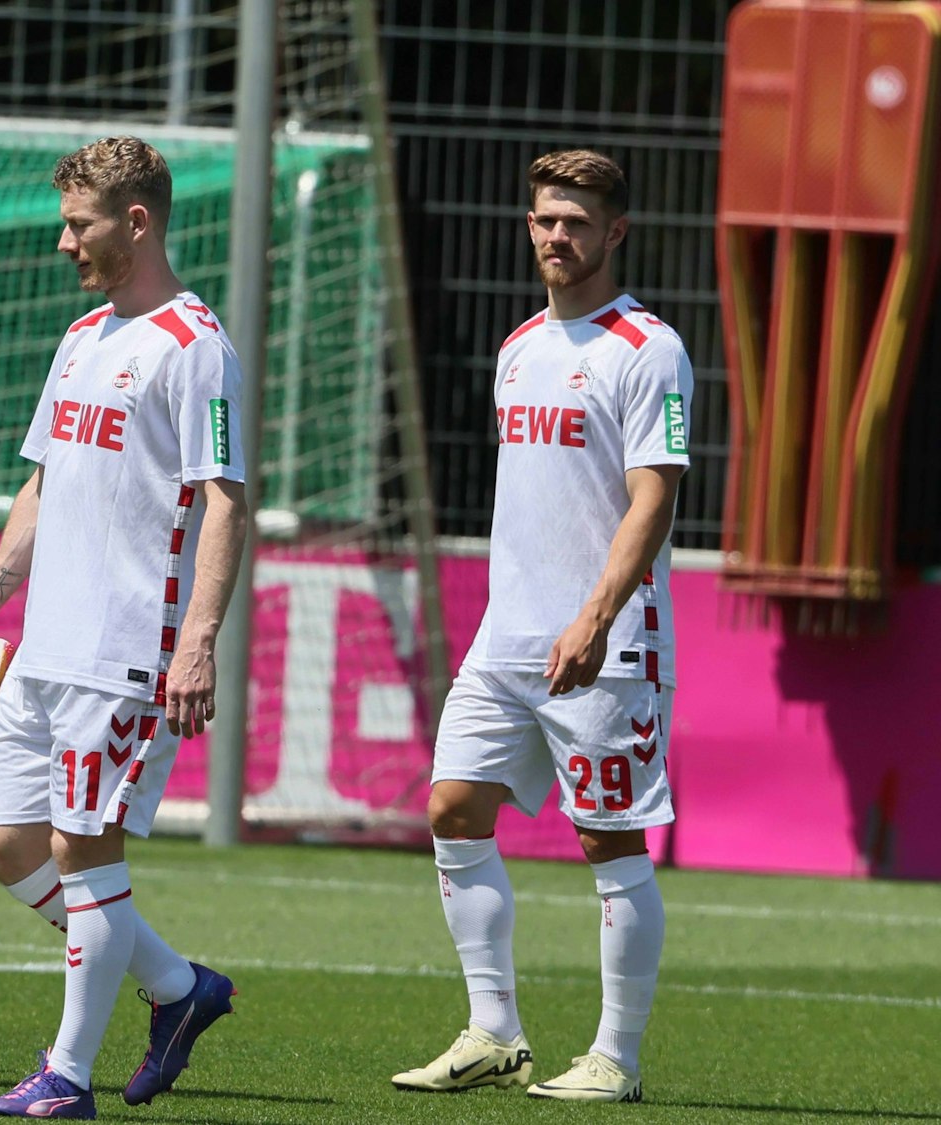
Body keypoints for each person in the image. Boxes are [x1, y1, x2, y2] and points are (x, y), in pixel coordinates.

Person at [0, 137, 248, 1118]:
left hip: (126, 650)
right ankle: (180, 988)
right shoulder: (80, 337)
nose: (64, 242)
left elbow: (225, 500)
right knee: (6, 849)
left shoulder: (196, 346)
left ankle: (66, 1076)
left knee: (82, 850)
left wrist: (198, 641)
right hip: (45, 644)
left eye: (78, 224)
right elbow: (41, 486)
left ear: (134, 222)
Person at [389, 150, 690, 1104]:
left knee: (609, 839)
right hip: (506, 638)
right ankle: (494, 1031)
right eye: (546, 219)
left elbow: (654, 498)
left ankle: (617, 1058)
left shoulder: (648, 349)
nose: (558, 235)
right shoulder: (519, 346)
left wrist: (595, 616)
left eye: (577, 222)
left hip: (609, 644)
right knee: (452, 808)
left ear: (616, 232)